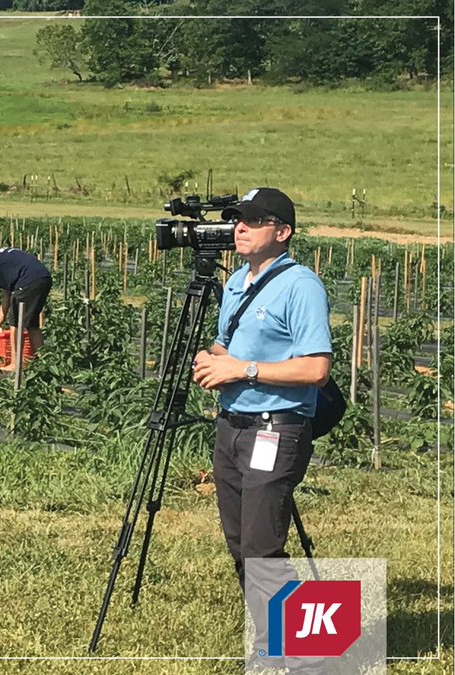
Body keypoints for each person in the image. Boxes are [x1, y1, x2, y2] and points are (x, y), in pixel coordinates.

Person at [190, 188, 331, 671]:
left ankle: (292, 653)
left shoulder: (301, 286)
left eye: (253, 220)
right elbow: (229, 343)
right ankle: (273, 639)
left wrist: (243, 370)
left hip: (277, 427)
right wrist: (213, 360)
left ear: (282, 232)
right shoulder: (236, 282)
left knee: (261, 546)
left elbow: (315, 369)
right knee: (239, 543)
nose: (240, 227)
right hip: (231, 425)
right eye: (236, 219)